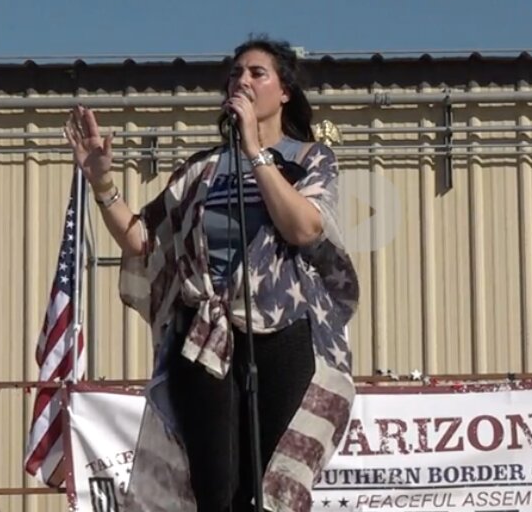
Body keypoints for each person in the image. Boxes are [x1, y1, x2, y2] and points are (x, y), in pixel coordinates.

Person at [64, 37, 359, 512]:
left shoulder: (307, 160)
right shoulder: (200, 171)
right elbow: (143, 239)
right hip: (205, 336)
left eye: (256, 73)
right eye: (235, 73)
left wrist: (254, 152)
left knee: (270, 486)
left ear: (284, 91)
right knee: (214, 488)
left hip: (280, 335)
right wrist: (103, 184)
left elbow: (303, 226)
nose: (241, 81)